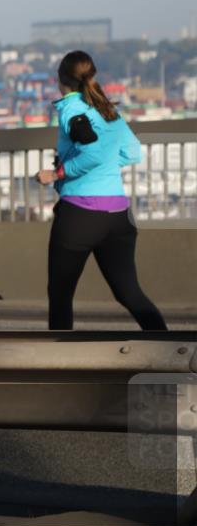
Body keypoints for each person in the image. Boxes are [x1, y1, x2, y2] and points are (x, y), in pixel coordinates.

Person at [34, 50, 167, 331]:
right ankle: (170, 351)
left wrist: (56, 173)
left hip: (80, 216)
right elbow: (132, 153)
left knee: (60, 295)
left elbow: (92, 153)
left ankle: (59, 363)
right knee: (129, 292)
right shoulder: (107, 109)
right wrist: (103, 164)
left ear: (61, 80)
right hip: (118, 216)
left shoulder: (72, 109)